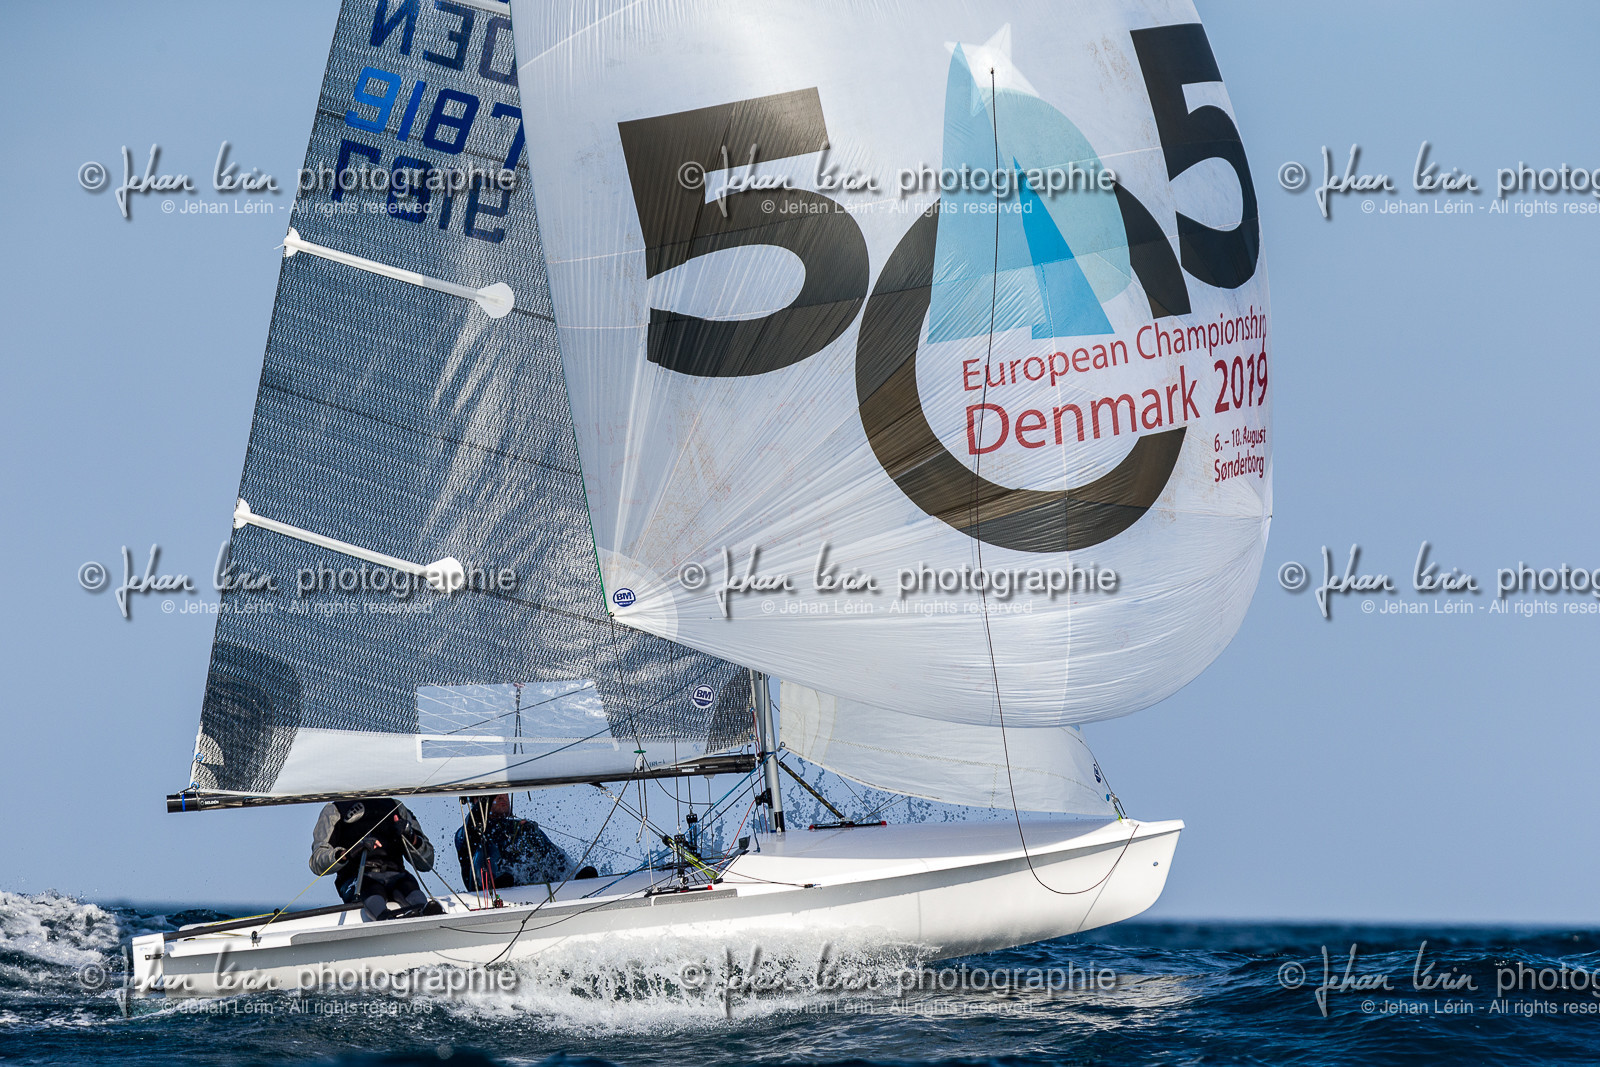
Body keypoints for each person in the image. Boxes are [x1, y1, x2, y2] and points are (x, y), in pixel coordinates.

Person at [309, 797, 443, 921]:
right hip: (356, 880)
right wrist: (349, 852)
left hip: (396, 875)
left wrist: (411, 837)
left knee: (408, 885)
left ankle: (425, 913)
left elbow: (427, 863)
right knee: (371, 888)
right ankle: (385, 919)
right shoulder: (334, 810)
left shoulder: (396, 807)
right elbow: (317, 862)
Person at [454, 794, 593, 891]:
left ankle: (572, 878)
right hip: (485, 893)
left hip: (520, 886)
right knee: (488, 844)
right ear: (476, 800)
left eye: (504, 791)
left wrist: (529, 830)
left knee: (534, 835)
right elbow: (473, 822)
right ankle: (494, 885)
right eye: (494, 794)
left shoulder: (518, 826)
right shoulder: (467, 832)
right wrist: (487, 798)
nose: (501, 796)